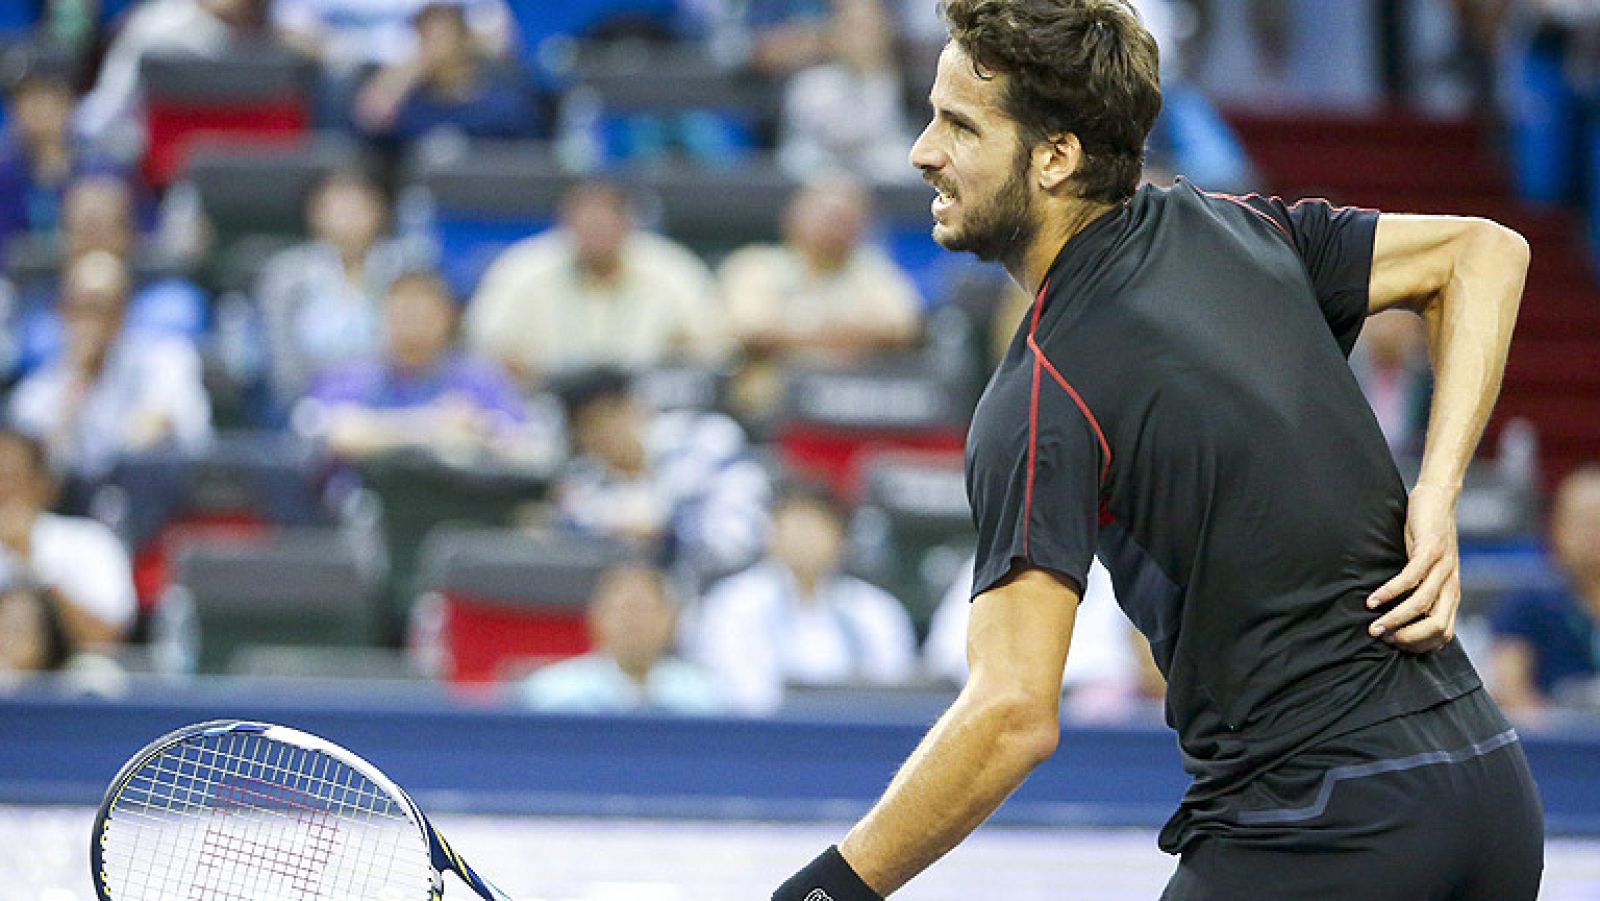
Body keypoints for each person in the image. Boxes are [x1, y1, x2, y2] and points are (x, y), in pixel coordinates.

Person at [772, 2, 1539, 899]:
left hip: (1323, 824)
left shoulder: (1041, 392)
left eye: (959, 125)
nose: (922, 151)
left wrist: (824, 891)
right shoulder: (1239, 230)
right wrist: (1436, 493)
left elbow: (1011, 714)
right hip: (1491, 793)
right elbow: (1483, 253)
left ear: (1055, 157)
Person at [465, 182, 728, 387]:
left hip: (647, 401)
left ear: (628, 223)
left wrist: (680, 351)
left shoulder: (671, 268)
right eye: (587, 222)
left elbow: (715, 344)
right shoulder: (524, 268)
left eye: (606, 221)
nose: (596, 231)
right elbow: (484, 345)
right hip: (544, 398)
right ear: (566, 223)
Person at [694, 482, 917, 715]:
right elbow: (736, 690)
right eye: (794, 525)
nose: (804, 539)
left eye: (815, 526)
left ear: (841, 537)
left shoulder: (876, 609)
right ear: (771, 534)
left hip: (858, 729)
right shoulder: (734, 603)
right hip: (762, 730)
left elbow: (895, 692)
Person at [718, 176, 923, 419]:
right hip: (769, 410)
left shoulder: (875, 273)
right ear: (794, 217)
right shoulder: (757, 266)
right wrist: (852, 338)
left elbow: (905, 328)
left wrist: (790, 336)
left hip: (857, 409)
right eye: (827, 215)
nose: (836, 226)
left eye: (846, 218)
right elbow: (751, 332)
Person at [296, 269, 545, 467]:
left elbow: (529, 447)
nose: (413, 321)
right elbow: (339, 435)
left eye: (424, 311)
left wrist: (481, 429)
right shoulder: (349, 376)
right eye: (404, 310)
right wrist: (431, 427)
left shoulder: (479, 376)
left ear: (448, 317)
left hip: (458, 499)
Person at [8, 251, 211, 487]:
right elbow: (36, 475)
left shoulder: (166, 358)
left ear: (123, 312)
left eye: (102, 307)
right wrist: (76, 386)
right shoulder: (37, 389)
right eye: (79, 307)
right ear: (62, 312)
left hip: (149, 495)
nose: (90, 321)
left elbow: (155, 433)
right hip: (72, 503)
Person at [551, 368, 770, 581]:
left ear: (632, 407)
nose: (601, 436)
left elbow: (739, 540)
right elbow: (574, 541)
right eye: (585, 428)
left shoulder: (705, 440)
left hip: (730, 584)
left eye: (605, 419)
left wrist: (668, 532)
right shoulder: (582, 483)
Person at [924, 554, 1159, 723]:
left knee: (1102, 706)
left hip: (1100, 708)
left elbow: (1130, 664)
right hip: (996, 703)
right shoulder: (991, 561)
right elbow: (945, 656)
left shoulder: (1118, 564)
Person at [256, 169, 422, 407]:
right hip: (307, 400)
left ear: (380, 210)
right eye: (339, 208)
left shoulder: (405, 267)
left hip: (396, 398)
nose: (349, 218)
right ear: (315, 214)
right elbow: (281, 359)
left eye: (358, 207)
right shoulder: (286, 274)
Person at [518, 562, 726, 715]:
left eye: (645, 610)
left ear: (671, 619)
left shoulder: (705, 695)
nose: (633, 622)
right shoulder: (551, 693)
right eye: (623, 610)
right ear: (597, 618)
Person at [0, 428, 136, 649]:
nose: (3, 490)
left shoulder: (87, 542)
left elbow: (105, 639)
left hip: (69, 667)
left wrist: (33, 564)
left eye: (11, 478)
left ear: (43, 485)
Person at [1489, 464, 1600, 714]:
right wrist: (1547, 728)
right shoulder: (1527, 602)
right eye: (1584, 521)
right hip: (1557, 733)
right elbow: (1509, 686)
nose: (1594, 533)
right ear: (1556, 529)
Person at [352, 2, 539, 147]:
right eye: (425, 36)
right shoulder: (410, 109)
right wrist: (400, 77)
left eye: (443, 35)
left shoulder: (503, 108)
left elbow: (532, 162)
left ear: (465, 39)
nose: (434, 46)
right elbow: (368, 126)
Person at [777, 0, 919, 184]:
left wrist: (873, 75)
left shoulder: (897, 81)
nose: (863, 40)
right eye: (856, 29)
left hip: (878, 170)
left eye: (871, 29)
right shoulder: (811, 82)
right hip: (818, 166)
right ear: (835, 33)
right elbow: (840, 135)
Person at [1351, 307, 1433, 460]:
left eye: (1397, 323)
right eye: (1381, 321)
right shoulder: (1351, 376)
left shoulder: (1426, 384)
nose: (1387, 331)